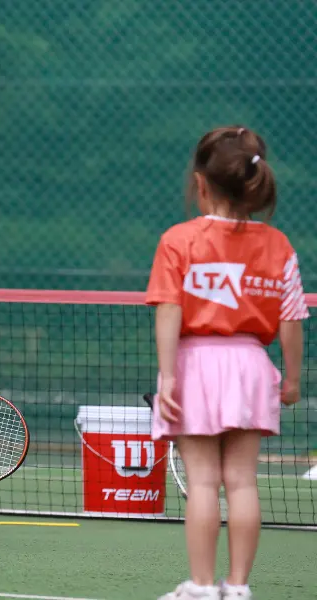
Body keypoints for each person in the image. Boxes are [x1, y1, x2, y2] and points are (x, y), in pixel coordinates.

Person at [146, 126, 308, 599]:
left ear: (200, 183)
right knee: (241, 483)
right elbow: (293, 318)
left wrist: (170, 376)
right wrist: (293, 379)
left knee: (202, 482)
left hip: (195, 366)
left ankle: (200, 588)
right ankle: (237, 589)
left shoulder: (177, 240)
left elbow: (169, 311)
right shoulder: (279, 246)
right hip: (252, 368)